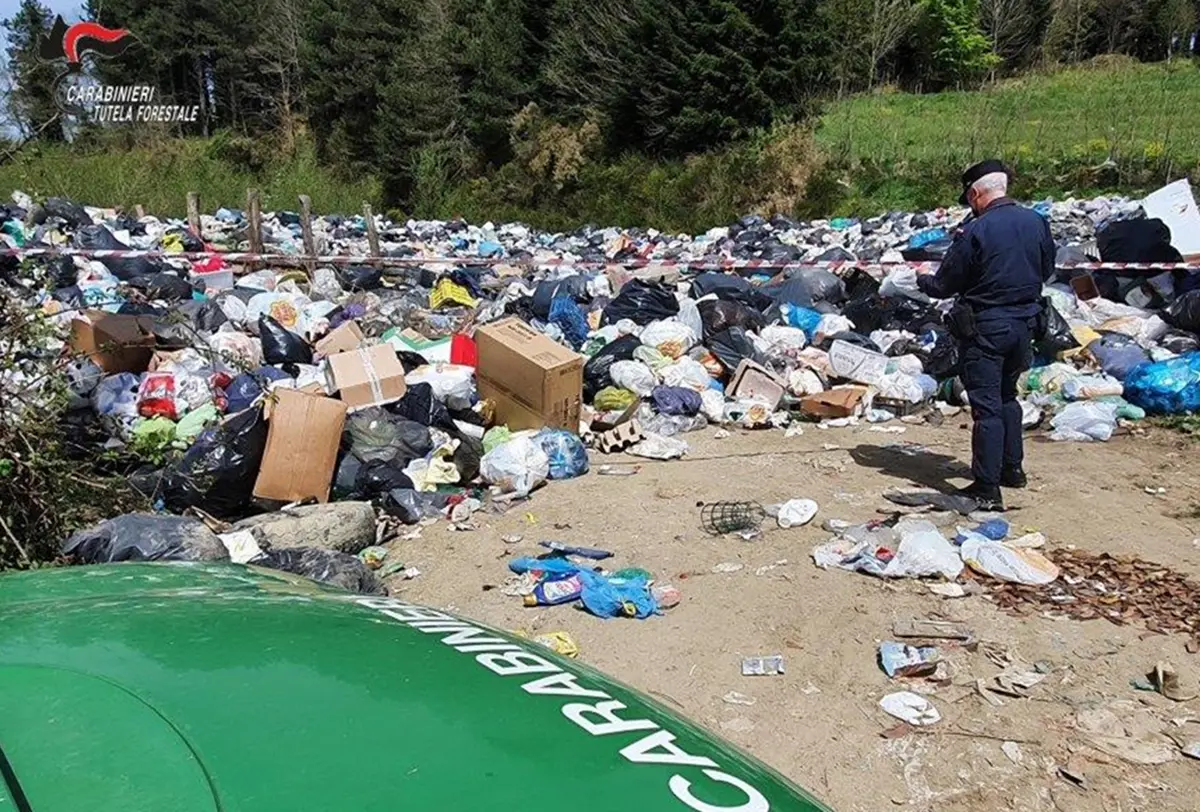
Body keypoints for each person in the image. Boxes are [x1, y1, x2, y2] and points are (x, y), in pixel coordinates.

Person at [916, 160, 1055, 511]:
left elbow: (946, 283)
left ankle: (986, 487)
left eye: (969, 197)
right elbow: (1048, 268)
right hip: (1025, 324)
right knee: (1008, 397)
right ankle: (1013, 469)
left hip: (987, 327)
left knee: (987, 408)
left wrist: (919, 279)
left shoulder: (977, 231)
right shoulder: (1036, 222)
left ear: (975, 193)